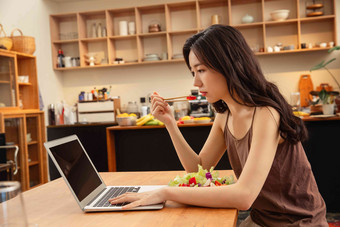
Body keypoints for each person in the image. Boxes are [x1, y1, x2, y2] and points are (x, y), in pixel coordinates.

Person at [109, 25, 327, 226]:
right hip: (263, 219)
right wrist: (170, 123)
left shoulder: (265, 114)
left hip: (297, 223)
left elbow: (244, 196)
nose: (195, 82)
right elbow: (199, 168)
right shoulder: (225, 114)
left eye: (201, 70)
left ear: (228, 65)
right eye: (193, 72)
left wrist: (166, 192)